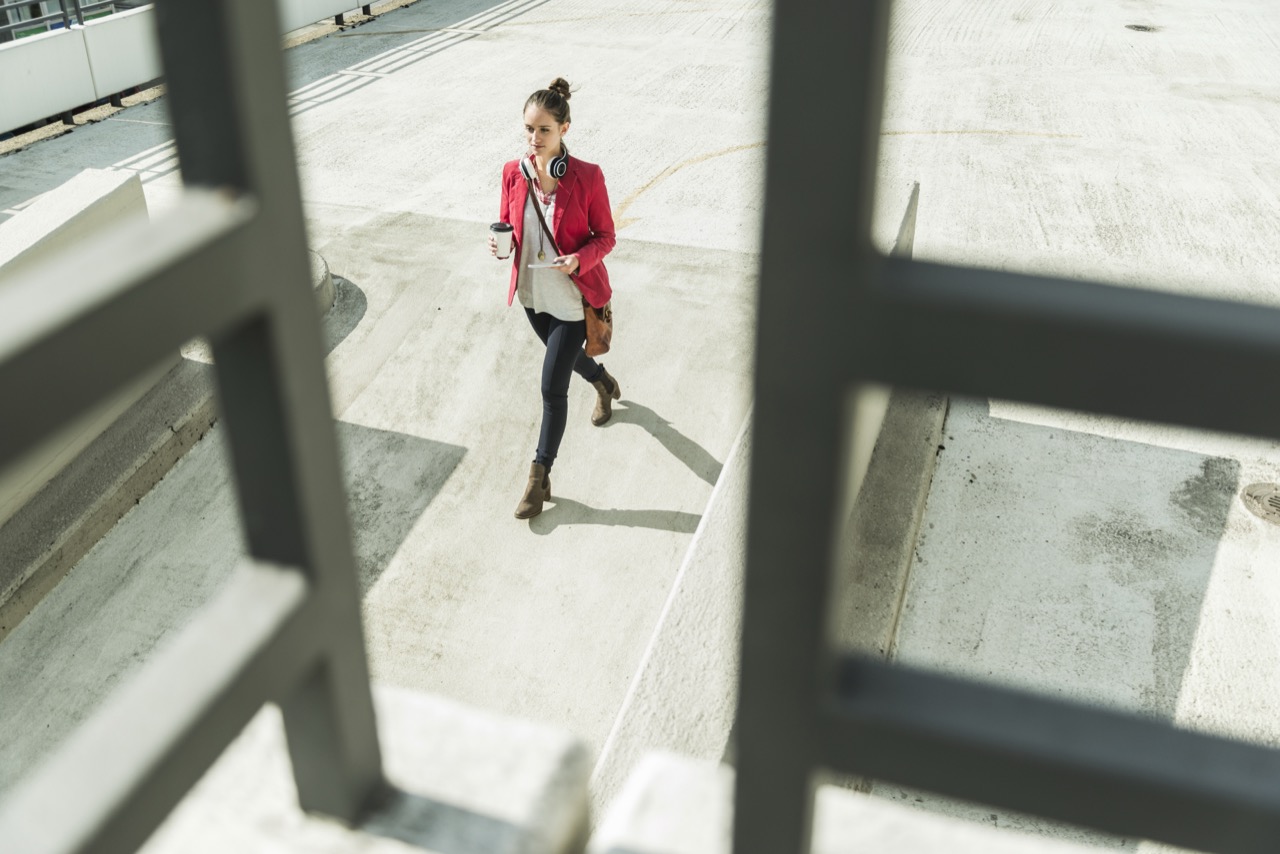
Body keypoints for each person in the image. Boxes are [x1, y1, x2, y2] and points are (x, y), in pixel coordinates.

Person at [489, 77, 620, 520]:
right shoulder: (512, 172)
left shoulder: (587, 176)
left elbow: (606, 237)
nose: (534, 138)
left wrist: (579, 260)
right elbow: (506, 223)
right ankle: (602, 381)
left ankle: (539, 477)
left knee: (551, 387)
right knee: (562, 360)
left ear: (565, 128)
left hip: (570, 301)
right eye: (529, 129)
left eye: (544, 129)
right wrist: (498, 244)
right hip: (532, 295)